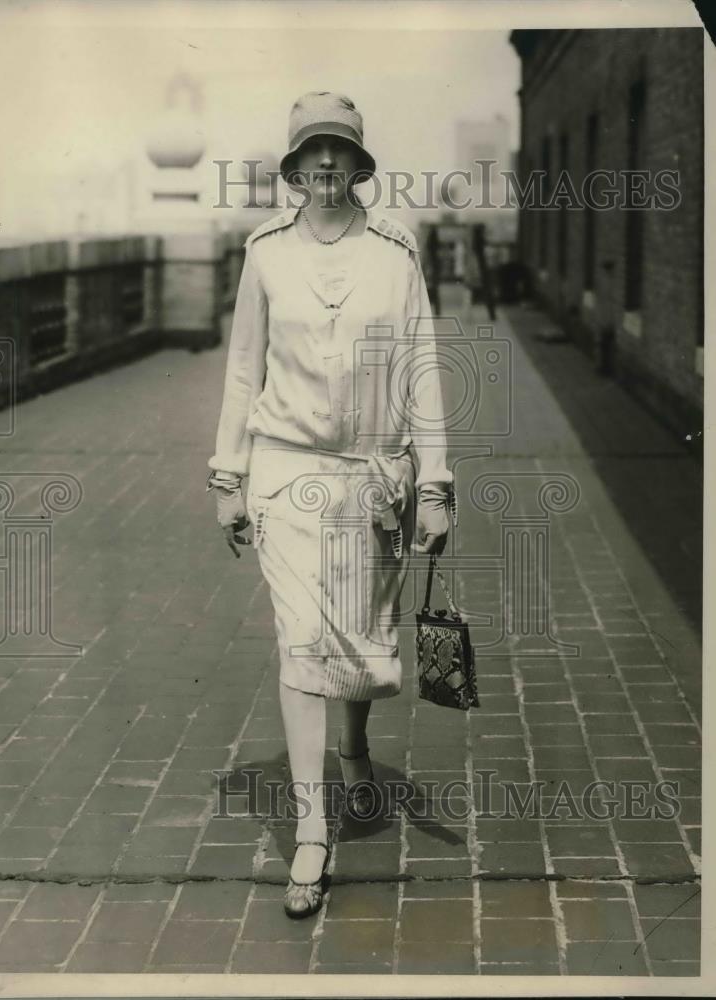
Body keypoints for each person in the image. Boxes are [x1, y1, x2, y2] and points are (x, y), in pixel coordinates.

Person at [207, 92, 455, 919]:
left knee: (356, 638)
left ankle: (355, 754)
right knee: (304, 639)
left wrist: (434, 488)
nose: (324, 167)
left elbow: (423, 369)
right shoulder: (266, 254)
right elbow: (244, 372)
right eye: (310, 153)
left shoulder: (395, 251)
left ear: (358, 165)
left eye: (337, 152)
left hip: (372, 480)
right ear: (293, 168)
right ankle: (312, 832)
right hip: (285, 474)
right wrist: (227, 477)